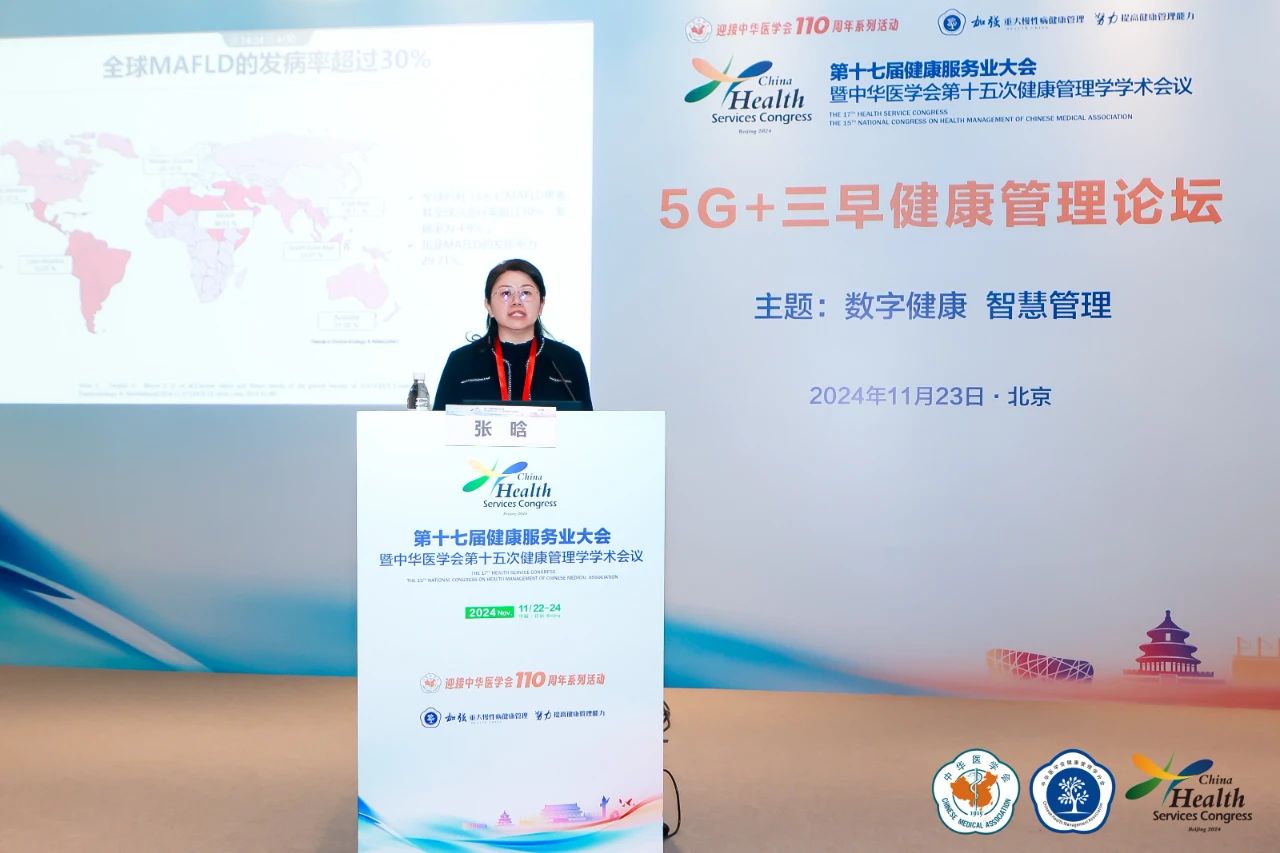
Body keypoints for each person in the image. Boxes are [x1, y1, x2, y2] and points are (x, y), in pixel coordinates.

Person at [433, 259, 593, 410]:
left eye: (526, 293)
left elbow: (588, 425)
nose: (516, 301)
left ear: (541, 304)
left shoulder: (567, 361)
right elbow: (439, 424)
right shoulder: (461, 361)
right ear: (488, 305)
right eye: (505, 293)